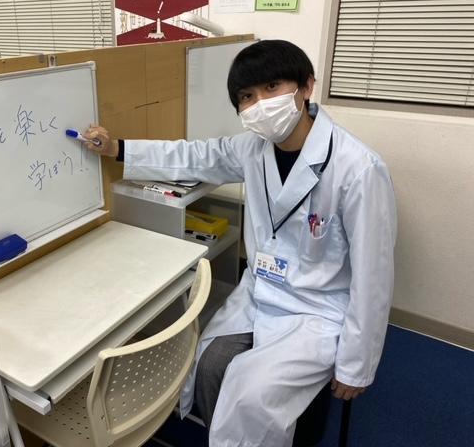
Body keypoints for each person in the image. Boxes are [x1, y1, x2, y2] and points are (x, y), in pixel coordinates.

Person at [84, 39, 396, 447]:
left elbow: (374, 277)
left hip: (317, 310)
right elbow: (192, 157)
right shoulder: (252, 149)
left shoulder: (359, 168)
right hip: (261, 291)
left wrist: (357, 365)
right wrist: (117, 148)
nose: (260, 103)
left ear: (306, 87)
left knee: (252, 396)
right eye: (247, 96)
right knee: (209, 365)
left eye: (272, 87)